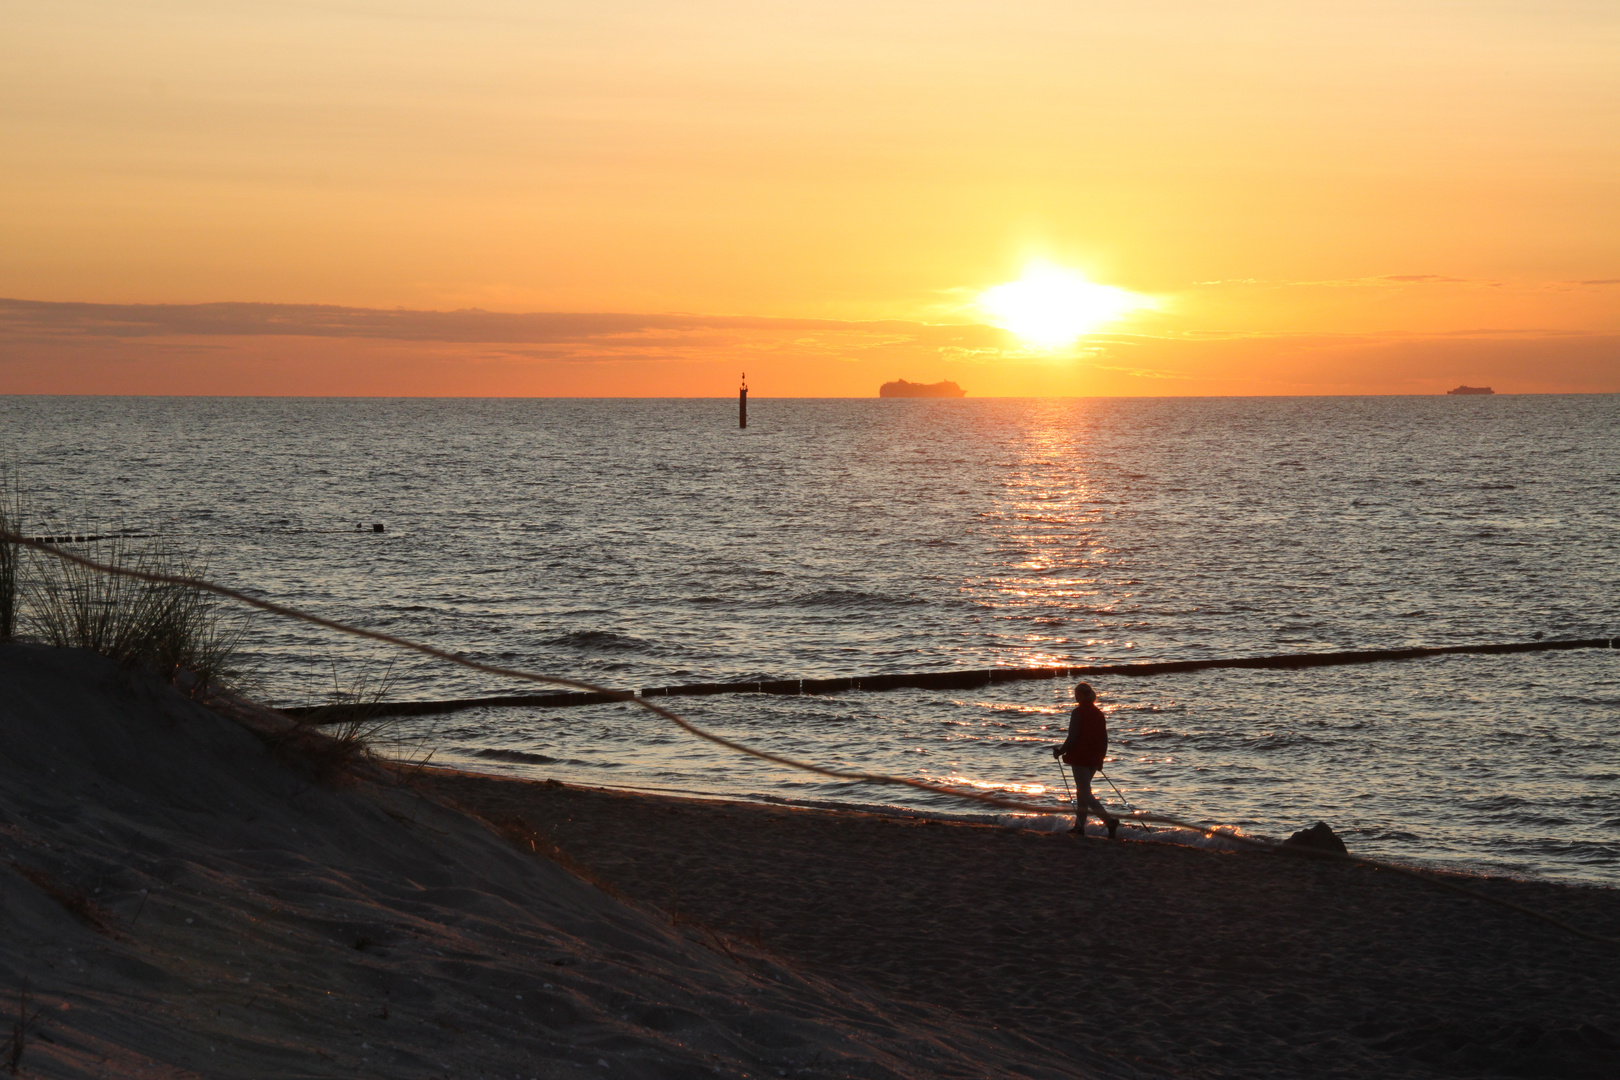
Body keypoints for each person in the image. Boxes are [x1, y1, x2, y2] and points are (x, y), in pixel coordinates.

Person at [1052, 681, 1120, 839]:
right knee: (1082, 792)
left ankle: (1109, 821)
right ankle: (1079, 827)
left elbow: (1073, 737)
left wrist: (1060, 751)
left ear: (1083, 695)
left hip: (1080, 757)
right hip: (1094, 757)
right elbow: (1104, 739)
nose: (1075, 696)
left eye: (1077, 694)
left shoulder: (1078, 712)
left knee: (1084, 792)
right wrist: (1101, 758)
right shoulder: (1098, 713)